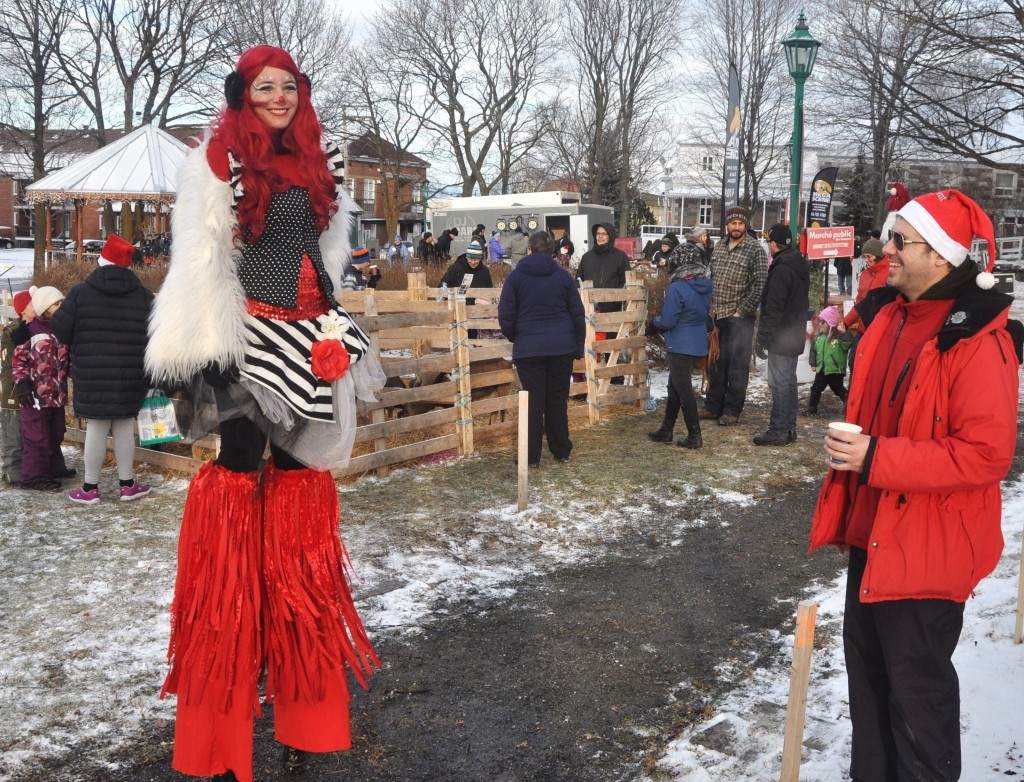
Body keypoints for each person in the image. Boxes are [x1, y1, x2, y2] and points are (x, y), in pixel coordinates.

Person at [145, 46, 386, 782]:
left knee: (298, 495)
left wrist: (333, 318)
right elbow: (202, 255)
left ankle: (302, 698)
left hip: (311, 335)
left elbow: (327, 247)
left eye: (288, 86)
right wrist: (213, 344)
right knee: (237, 478)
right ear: (242, 93)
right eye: (264, 86)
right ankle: (223, 694)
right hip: (246, 337)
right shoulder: (220, 156)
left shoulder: (327, 156)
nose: (278, 97)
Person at [811, 189, 1021, 782]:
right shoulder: (892, 315)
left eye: (901, 241)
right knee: (870, 689)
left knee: (916, 699)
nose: (888, 251)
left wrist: (877, 456)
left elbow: (985, 456)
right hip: (872, 536)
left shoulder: (979, 339)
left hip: (927, 549)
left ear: (941, 255)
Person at [50, 234, 154, 504]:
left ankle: (89, 488)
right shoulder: (143, 297)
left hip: (91, 372)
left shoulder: (80, 293)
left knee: (96, 426)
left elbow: (60, 329)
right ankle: (127, 485)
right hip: (131, 374)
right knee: (123, 426)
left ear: (102, 261)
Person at [499, 231, 585, 467]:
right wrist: (578, 345)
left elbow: (506, 315)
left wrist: (518, 336)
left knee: (533, 402)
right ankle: (561, 450)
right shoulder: (563, 277)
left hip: (529, 349)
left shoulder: (516, 277)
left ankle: (531, 456)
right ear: (552, 252)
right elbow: (577, 313)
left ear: (530, 250)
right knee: (557, 399)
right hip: (561, 347)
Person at [700, 205, 768, 425]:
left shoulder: (755, 249)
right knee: (716, 363)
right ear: (727, 225)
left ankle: (732, 410)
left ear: (745, 225)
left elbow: (760, 284)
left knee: (737, 366)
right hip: (717, 315)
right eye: (733, 223)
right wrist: (709, 305)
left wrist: (742, 310)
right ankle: (713, 405)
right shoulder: (719, 247)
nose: (736, 227)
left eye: (740, 223)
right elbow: (711, 277)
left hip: (740, 318)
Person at [646, 248, 712, 449]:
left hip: (680, 344)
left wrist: (653, 323)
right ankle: (666, 430)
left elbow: (668, 320)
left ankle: (694, 435)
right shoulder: (705, 284)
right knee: (674, 387)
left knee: (683, 391)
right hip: (698, 342)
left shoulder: (677, 288)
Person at [752, 223, 808, 446]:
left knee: (779, 384)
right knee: (789, 382)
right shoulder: (797, 264)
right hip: (794, 333)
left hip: (782, 336)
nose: (768, 245)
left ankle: (778, 430)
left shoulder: (781, 269)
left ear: (774, 244)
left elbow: (773, 309)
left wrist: (761, 340)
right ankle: (789, 427)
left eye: (768, 241)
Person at [12, 285, 69, 491]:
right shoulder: (28, 331)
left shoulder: (60, 328)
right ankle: (33, 476)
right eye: (56, 304)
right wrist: (23, 383)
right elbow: (18, 360)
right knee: (37, 436)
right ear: (44, 306)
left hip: (57, 392)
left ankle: (52, 468)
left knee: (56, 431)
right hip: (36, 394)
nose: (60, 306)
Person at [839, 237, 889, 377]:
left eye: (869, 256)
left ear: (878, 256)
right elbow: (860, 303)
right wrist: (846, 321)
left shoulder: (889, 273)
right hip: (863, 328)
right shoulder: (865, 274)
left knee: (873, 367)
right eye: (865, 256)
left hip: (880, 330)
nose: (866, 260)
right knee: (853, 360)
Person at [1, 290, 32, 485]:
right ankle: (12, 469)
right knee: (14, 431)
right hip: (13, 390)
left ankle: (30, 466)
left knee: (29, 431)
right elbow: (9, 364)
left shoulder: (36, 328)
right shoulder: (12, 333)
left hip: (29, 388)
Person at [802, 305, 851, 415]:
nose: (819, 324)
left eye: (823, 322)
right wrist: (813, 362)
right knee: (816, 388)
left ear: (830, 323)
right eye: (819, 321)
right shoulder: (819, 337)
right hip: (822, 369)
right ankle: (812, 407)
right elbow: (813, 350)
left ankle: (849, 404)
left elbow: (848, 344)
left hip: (835, 370)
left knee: (838, 389)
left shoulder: (838, 337)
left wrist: (844, 333)